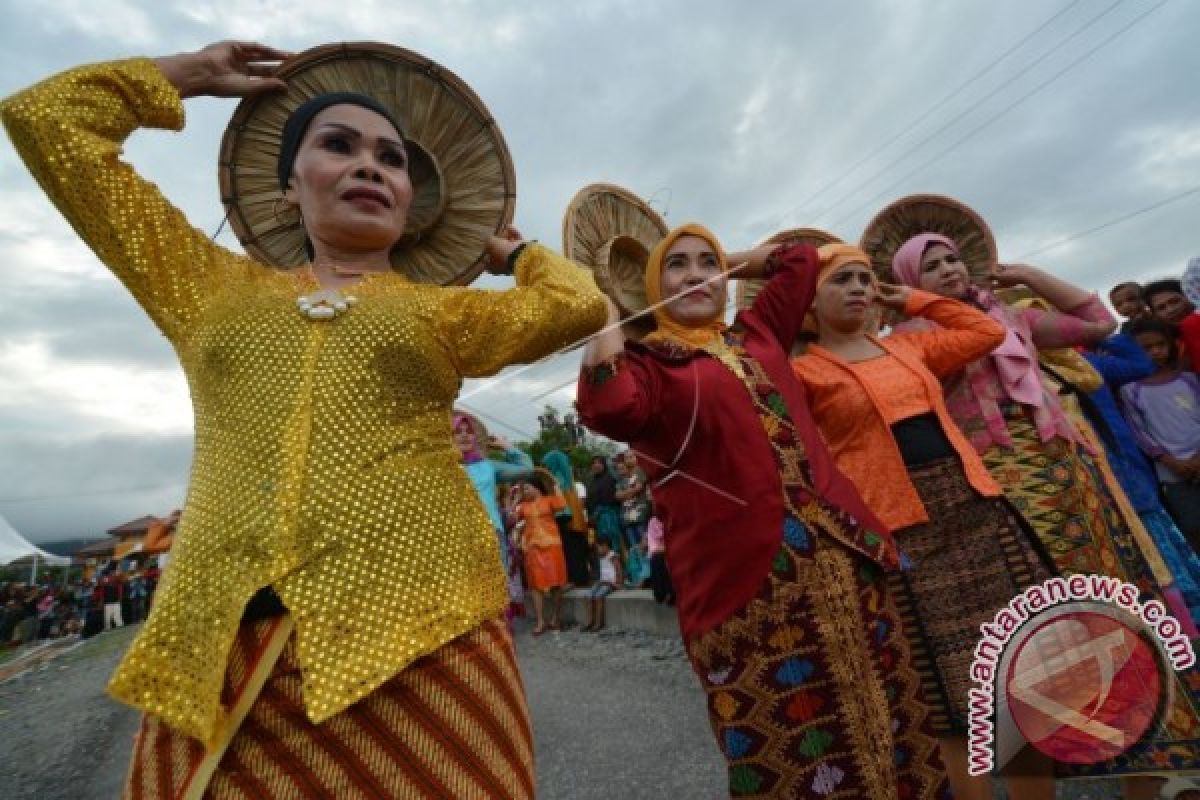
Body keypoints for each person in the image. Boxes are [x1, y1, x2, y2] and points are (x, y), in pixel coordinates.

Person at [2, 41, 608, 799]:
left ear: (410, 200)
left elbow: (578, 302)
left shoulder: (442, 311)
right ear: (289, 185)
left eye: (393, 159)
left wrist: (514, 253)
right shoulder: (208, 289)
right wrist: (190, 74)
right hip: (222, 652)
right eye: (338, 145)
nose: (371, 166)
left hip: (427, 641)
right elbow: (44, 119)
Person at [577, 223, 949, 799]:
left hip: (844, 556)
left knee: (890, 717)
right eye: (677, 266)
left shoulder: (759, 335)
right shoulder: (649, 368)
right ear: (651, 287)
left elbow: (800, 260)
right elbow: (609, 408)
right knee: (796, 748)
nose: (696, 274)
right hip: (748, 587)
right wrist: (604, 313)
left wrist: (731, 261)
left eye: (707, 262)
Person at [890, 233, 1200, 785]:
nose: (946, 270)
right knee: (1049, 622)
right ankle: (1072, 748)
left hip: (1070, 473)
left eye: (952, 259)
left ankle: (1143, 739)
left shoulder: (1014, 318)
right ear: (911, 282)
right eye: (930, 266)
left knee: (1107, 601)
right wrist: (921, 308)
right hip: (1000, 488)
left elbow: (1099, 324)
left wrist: (1028, 275)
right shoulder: (911, 340)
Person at [791, 244, 1054, 799]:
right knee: (945, 690)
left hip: (974, 508)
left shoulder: (908, 345)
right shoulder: (802, 372)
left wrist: (910, 296)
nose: (860, 288)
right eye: (842, 280)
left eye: (866, 278)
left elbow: (985, 332)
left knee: (1021, 673)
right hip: (901, 528)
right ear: (808, 303)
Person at [1082, 333, 1200, 626]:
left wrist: (1091, 332)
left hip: (1126, 466)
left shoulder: (1084, 363)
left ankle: (1188, 613)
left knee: (1161, 537)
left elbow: (1140, 365)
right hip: (1085, 475)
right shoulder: (1013, 372)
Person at [1122, 318, 1200, 550]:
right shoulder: (1130, 390)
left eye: (1160, 345)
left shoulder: (1189, 380)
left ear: (1171, 345)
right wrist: (1170, 461)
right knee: (1193, 525)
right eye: (1146, 348)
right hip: (1173, 472)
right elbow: (1139, 432)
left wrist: (1197, 458)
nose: (1155, 351)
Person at [453, 411, 534, 573]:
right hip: (457, 537)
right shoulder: (442, 470)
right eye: (458, 431)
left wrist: (506, 447)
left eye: (469, 431)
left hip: (491, 533)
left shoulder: (488, 466)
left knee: (496, 589)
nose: (464, 435)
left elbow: (527, 469)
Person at [513, 478, 569, 635]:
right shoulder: (522, 506)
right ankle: (540, 621)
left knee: (556, 582)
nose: (525, 492)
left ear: (537, 488)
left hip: (552, 545)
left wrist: (556, 486)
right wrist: (516, 500)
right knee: (535, 585)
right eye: (523, 490)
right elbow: (511, 518)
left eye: (527, 488)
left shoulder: (549, 500)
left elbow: (563, 504)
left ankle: (556, 618)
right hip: (532, 547)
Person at [542, 449, 592, 587]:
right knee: (578, 551)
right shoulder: (568, 478)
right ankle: (582, 580)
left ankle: (575, 580)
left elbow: (560, 504)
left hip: (566, 521)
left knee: (571, 552)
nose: (546, 466)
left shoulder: (557, 478)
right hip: (576, 522)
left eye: (547, 463)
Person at [1144, 278, 1200, 372]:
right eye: (1161, 308)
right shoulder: (1164, 346)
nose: (1171, 310)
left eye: (1175, 301)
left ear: (1189, 297)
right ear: (1154, 315)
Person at [584, 455, 624, 554]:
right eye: (593, 463)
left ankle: (621, 568)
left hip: (609, 518)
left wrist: (598, 513)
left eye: (599, 463)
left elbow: (610, 499)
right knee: (602, 549)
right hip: (595, 520)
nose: (596, 465)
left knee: (613, 547)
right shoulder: (592, 482)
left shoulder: (610, 478)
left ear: (604, 465)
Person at [584, 539, 622, 632]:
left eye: (599, 547)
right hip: (602, 581)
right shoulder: (600, 556)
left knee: (598, 596)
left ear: (605, 546)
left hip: (610, 583)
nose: (598, 549)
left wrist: (617, 583)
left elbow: (618, 570)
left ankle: (598, 623)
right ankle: (590, 621)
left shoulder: (612, 556)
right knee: (588, 595)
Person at [645, 516, 674, 604]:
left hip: (675, 550)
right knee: (656, 558)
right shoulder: (653, 522)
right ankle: (662, 593)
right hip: (662, 551)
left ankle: (671, 592)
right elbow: (653, 547)